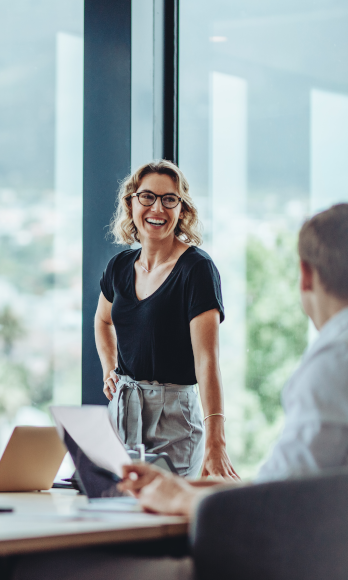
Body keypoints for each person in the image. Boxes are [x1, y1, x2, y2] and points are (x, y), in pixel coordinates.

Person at [121, 203, 348, 516]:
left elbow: (272, 505)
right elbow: (285, 484)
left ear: (305, 275)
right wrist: (184, 486)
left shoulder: (341, 358)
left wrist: (178, 497)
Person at [95, 160, 237, 479]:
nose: (157, 208)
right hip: (123, 409)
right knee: (118, 512)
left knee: (166, 520)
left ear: (181, 209)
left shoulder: (197, 270)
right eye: (147, 197)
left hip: (174, 416)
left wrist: (217, 441)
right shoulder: (119, 267)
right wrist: (109, 369)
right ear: (131, 203)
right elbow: (103, 321)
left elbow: (207, 361)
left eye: (169, 199)